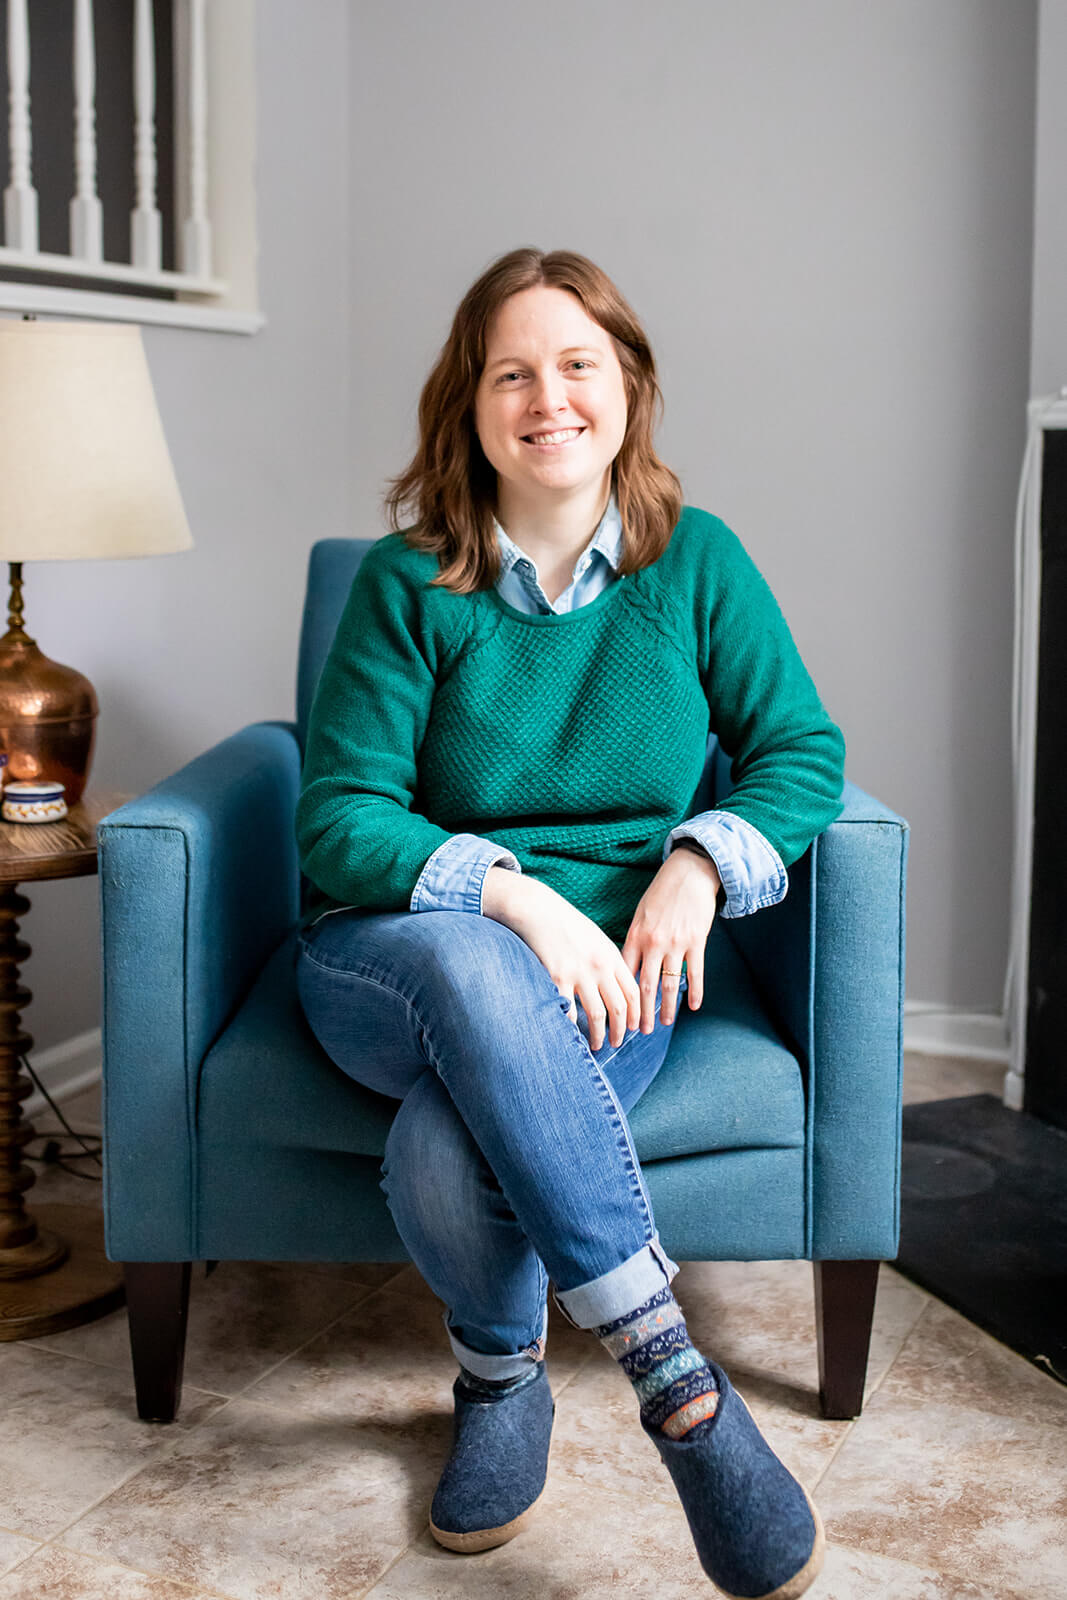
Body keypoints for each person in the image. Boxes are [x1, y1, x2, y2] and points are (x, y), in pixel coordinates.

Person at [294, 246, 845, 1597]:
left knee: (447, 1131)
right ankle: (676, 1380)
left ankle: (501, 1383)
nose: (550, 397)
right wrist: (517, 895)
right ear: (469, 404)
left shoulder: (696, 562)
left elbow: (801, 753)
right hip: (396, 952)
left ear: (629, 386)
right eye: (512, 371)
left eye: (578, 364)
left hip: (613, 973)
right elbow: (339, 817)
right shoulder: (405, 581)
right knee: (481, 977)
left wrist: (696, 869)